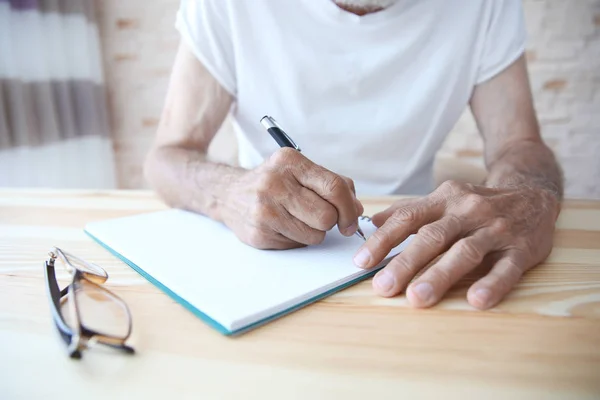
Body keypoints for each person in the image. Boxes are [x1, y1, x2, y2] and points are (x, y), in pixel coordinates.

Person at [144, 0, 564, 311]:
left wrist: (530, 198)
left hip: (413, 257)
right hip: (269, 263)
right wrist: (230, 192)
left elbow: (519, 145)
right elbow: (166, 159)